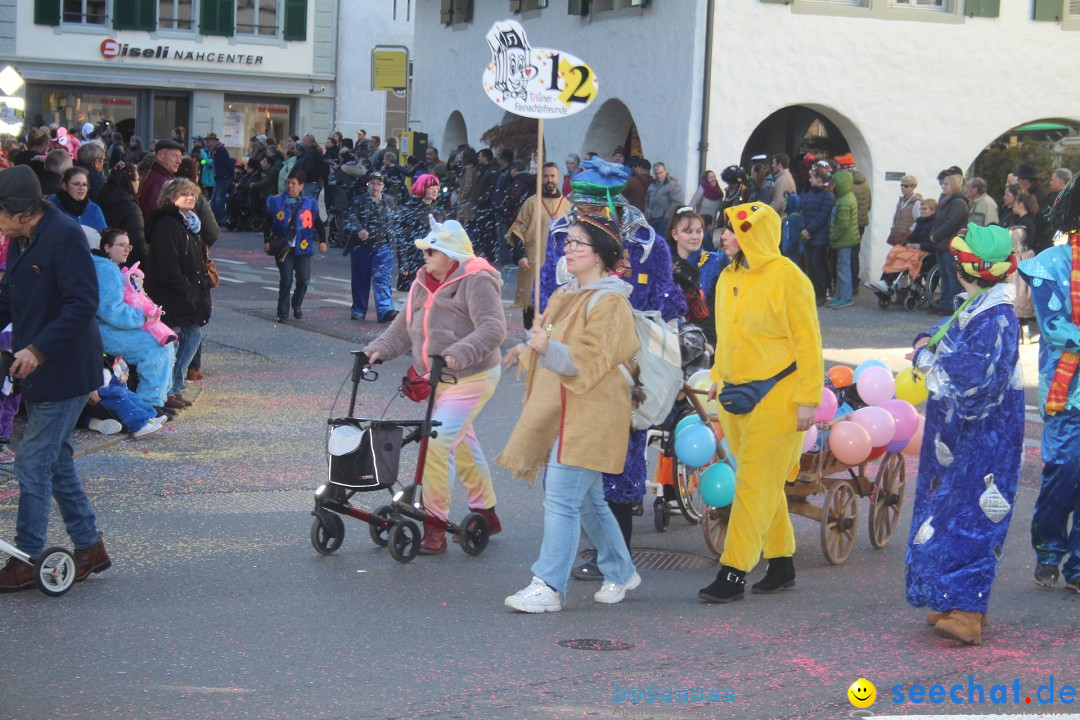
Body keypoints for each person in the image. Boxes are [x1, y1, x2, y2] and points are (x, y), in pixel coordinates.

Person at [539, 159, 686, 581]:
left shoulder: (646, 242)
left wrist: (666, 355)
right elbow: (551, 291)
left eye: (589, 207)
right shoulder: (562, 236)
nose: (579, 217)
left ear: (610, 204)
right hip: (573, 357)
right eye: (577, 206)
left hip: (627, 362)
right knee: (571, 452)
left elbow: (665, 300)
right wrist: (545, 342)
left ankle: (615, 555)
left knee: (620, 459)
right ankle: (593, 553)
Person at [499, 215, 642, 612]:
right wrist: (526, 348)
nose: (569, 248)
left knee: (561, 497)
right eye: (569, 242)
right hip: (568, 409)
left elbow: (590, 358)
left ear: (601, 255)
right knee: (587, 501)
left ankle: (548, 585)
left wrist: (547, 350)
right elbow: (548, 341)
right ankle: (620, 570)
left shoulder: (611, 301)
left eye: (579, 243)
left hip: (594, 410)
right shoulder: (567, 295)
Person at [698, 202, 823, 603]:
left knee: (752, 485)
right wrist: (718, 377)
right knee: (763, 483)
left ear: (756, 233)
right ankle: (782, 562)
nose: (725, 237)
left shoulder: (790, 278)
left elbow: (809, 343)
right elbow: (725, 337)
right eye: (725, 229)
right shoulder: (725, 277)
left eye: (734, 230)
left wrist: (808, 399)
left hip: (779, 397)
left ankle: (734, 571)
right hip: (736, 394)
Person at [905, 223, 1024, 645]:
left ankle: (969, 610)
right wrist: (931, 342)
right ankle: (954, 596)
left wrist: (925, 359)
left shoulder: (996, 317)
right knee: (950, 509)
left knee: (975, 514)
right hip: (961, 437)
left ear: (964, 268)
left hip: (985, 436)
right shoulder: (975, 307)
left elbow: (973, 382)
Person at [364, 218, 506, 554]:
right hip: (437, 377)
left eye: (432, 250)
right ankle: (486, 512)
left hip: (472, 376)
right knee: (460, 440)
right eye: (425, 249)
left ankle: (434, 523)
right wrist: (377, 350)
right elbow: (402, 329)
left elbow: (493, 329)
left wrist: (459, 352)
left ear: (452, 255)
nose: (425, 255)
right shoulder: (421, 283)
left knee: (439, 440)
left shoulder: (476, 280)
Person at [0, 165, 111, 592]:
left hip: (65, 369)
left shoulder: (64, 234)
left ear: (20, 212)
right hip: (38, 367)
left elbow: (83, 304)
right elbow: (10, 295)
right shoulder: (21, 238)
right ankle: (89, 546)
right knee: (56, 459)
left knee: (32, 460)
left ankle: (27, 557)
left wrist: (37, 349)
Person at [1018, 176, 1080, 595]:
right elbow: (1056, 327)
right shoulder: (1051, 262)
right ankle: (1048, 550)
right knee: (1063, 472)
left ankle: (1078, 566)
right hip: (1067, 389)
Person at [144, 178, 212, 411]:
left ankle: (174, 386)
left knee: (193, 335)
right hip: (171, 296)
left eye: (192, 194)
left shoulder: (190, 224)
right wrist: (187, 290)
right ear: (170, 197)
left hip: (187, 296)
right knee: (174, 341)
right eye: (183, 193)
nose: (190, 197)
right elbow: (167, 266)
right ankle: (165, 392)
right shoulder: (168, 224)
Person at [91, 228, 176, 411]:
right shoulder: (106, 270)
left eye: (128, 246)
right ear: (107, 247)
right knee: (155, 347)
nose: (127, 250)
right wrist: (142, 316)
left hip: (108, 327)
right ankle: (149, 403)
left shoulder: (111, 268)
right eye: (121, 245)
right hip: (103, 330)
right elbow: (110, 311)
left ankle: (159, 398)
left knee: (165, 342)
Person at [507, 162, 570, 330]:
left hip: (556, 267)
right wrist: (521, 255)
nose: (549, 180)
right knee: (531, 305)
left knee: (553, 308)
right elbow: (517, 230)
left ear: (558, 178)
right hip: (533, 263)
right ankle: (530, 340)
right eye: (546, 176)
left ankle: (547, 340)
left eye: (552, 176)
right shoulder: (531, 203)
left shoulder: (567, 206)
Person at [265, 171, 326, 323]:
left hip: (303, 246)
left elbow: (317, 222)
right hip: (284, 246)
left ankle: (297, 304)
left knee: (304, 279)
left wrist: (323, 241)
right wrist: (267, 240)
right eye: (288, 183)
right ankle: (283, 313)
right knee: (286, 279)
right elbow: (267, 221)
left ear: (301, 186)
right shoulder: (276, 201)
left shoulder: (309, 203)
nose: (290, 186)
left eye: (293, 183)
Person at [667, 207, 725, 347]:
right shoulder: (664, 264)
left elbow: (714, 308)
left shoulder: (714, 264)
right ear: (675, 234)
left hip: (705, 338)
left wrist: (708, 341)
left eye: (699, 231)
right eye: (688, 232)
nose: (695, 237)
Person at [343, 172, 397, 323]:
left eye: (379, 184)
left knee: (383, 278)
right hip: (361, 246)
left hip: (383, 245)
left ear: (384, 186)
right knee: (361, 279)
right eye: (372, 184)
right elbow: (350, 218)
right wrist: (358, 230)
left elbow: (395, 222)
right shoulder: (358, 201)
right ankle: (359, 310)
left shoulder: (390, 201)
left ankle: (385, 310)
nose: (375, 187)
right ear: (367, 185)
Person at [867, 199, 935, 298]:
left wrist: (917, 245)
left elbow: (932, 243)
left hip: (925, 251)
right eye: (921, 209)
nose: (922, 211)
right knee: (895, 253)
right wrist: (909, 243)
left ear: (933, 211)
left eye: (925, 209)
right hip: (914, 248)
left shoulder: (934, 224)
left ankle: (887, 282)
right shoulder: (920, 221)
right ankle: (883, 282)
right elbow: (913, 236)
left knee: (902, 258)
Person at [928, 167, 971, 316]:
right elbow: (940, 220)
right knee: (944, 276)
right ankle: (944, 302)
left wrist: (936, 235)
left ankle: (952, 304)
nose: (943, 187)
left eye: (946, 184)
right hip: (942, 243)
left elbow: (951, 222)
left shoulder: (958, 202)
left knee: (952, 275)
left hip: (950, 244)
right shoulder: (946, 201)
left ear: (953, 185)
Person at [396, 173, 445, 292]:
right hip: (414, 258)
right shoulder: (409, 210)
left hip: (433, 260)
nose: (435, 190)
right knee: (414, 295)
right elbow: (401, 238)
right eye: (431, 187)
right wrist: (403, 262)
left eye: (437, 187)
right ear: (422, 188)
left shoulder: (439, 211)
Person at [95, 162, 146, 268]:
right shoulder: (131, 208)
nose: (139, 183)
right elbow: (138, 245)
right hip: (125, 265)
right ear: (130, 181)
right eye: (137, 179)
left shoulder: (101, 196)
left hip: (103, 258)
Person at [799, 166, 835, 306]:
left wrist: (809, 229)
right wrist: (803, 228)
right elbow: (803, 210)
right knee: (809, 265)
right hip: (808, 235)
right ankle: (812, 292)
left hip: (819, 236)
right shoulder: (811, 193)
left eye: (812, 177)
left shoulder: (827, 195)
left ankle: (821, 294)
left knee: (817, 264)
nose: (809, 179)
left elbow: (823, 215)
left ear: (819, 179)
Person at [826, 169, 859, 309]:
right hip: (845, 239)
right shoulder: (846, 197)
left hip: (844, 240)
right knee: (841, 268)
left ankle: (845, 297)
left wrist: (832, 237)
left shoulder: (845, 200)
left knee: (843, 269)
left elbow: (842, 224)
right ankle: (839, 295)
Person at [49, 166, 107, 243]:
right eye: (76, 184)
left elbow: (106, 238)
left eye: (85, 184)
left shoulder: (94, 209)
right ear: (65, 186)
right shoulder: (53, 206)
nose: (81, 188)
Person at [138, 139, 184, 222]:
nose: (179, 161)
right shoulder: (161, 183)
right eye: (174, 156)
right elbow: (154, 216)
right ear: (160, 156)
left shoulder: (158, 177)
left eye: (180, 157)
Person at [644, 162, 683, 237]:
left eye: (660, 173)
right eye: (656, 173)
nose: (658, 175)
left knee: (663, 244)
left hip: (663, 221)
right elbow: (647, 202)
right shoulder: (652, 186)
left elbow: (676, 203)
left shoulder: (673, 185)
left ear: (665, 171)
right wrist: (647, 215)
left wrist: (667, 218)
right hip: (651, 220)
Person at [206, 133, 234, 223]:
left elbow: (227, 163)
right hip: (219, 177)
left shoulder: (220, 150)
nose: (207, 142)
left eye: (208, 140)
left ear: (213, 140)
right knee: (214, 199)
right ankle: (214, 218)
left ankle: (219, 218)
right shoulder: (215, 150)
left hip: (223, 177)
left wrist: (229, 174)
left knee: (219, 199)